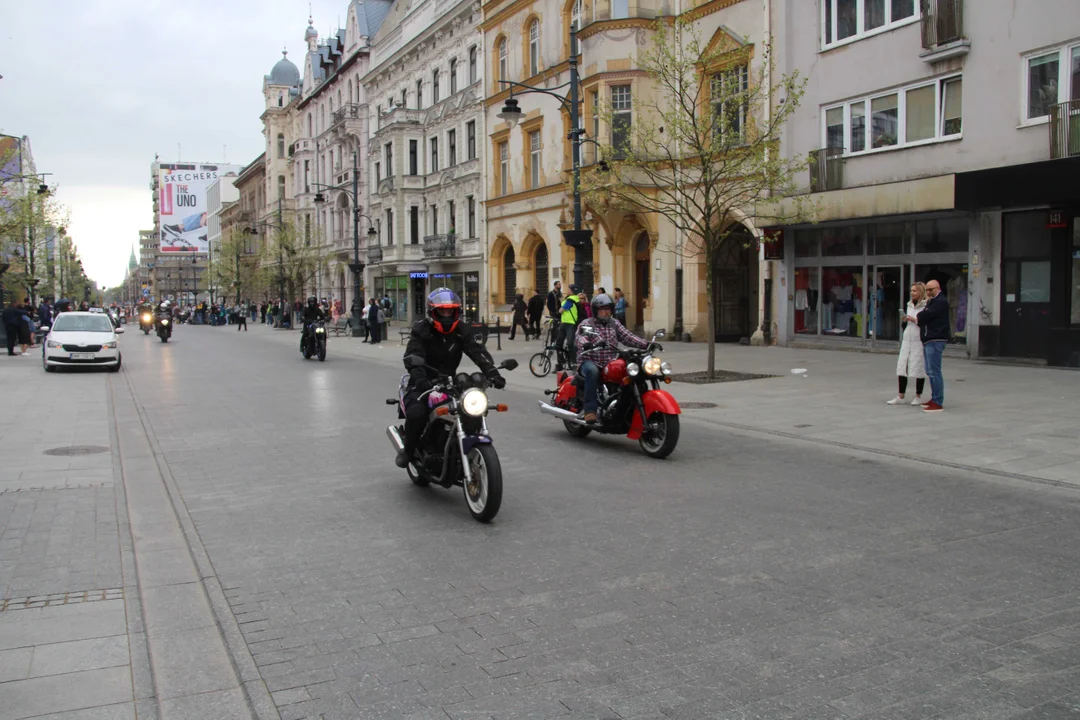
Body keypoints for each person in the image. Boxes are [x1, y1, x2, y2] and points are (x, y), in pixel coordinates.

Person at [396, 288, 505, 468]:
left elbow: (476, 351)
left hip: (449, 381)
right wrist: (420, 376)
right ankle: (408, 451)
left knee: (469, 410)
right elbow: (414, 355)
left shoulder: (462, 329)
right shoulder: (421, 329)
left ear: (456, 312)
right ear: (433, 312)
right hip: (423, 382)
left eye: (450, 311)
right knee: (417, 413)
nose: (446, 315)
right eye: (442, 311)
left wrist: (493, 373)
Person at [574, 294, 652, 423]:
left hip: (609, 361)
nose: (606, 312)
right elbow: (580, 337)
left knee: (629, 371)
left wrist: (646, 344)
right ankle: (590, 411)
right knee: (592, 372)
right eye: (603, 309)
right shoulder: (587, 323)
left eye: (608, 309)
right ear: (595, 310)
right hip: (589, 360)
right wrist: (586, 343)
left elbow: (628, 337)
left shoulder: (614, 323)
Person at [909, 278, 949, 413]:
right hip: (929, 339)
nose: (928, 292)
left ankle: (938, 402)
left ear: (938, 289)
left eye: (931, 290)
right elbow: (923, 318)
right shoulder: (932, 301)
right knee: (930, 371)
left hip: (936, 339)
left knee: (934, 371)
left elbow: (925, 315)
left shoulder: (940, 302)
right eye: (927, 290)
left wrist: (921, 315)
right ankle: (934, 398)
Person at [888, 282, 928, 406]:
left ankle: (918, 396)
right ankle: (901, 396)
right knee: (902, 366)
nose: (912, 293)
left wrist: (914, 319)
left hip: (918, 339)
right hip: (907, 338)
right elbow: (905, 325)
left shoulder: (926, 306)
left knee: (918, 367)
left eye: (915, 291)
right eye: (911, 290)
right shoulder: (909, 305)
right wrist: (905, 320)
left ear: (920, 292)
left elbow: (925, 322)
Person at [557, 285, 584, 369]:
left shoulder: (570, 300)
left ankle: (566, 362)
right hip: (568, 323)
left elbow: (560, 310)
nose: (567, 290)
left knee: (565, 343)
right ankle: (571, 361)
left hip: (568, 324)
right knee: (569, 343)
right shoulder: (575, 299)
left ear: (571, 291)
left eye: (568, 289)